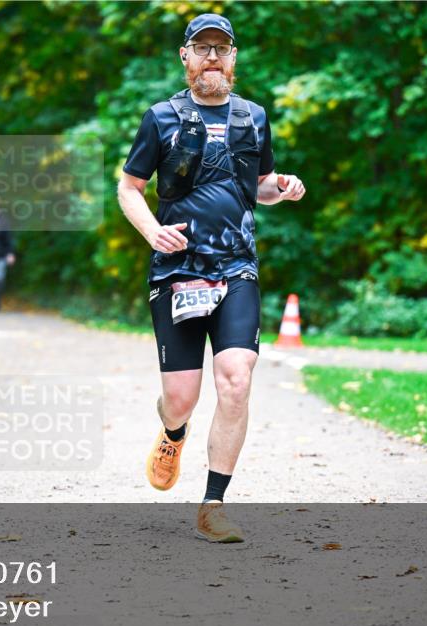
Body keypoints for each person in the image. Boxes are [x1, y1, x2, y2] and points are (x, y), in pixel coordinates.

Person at [117, 13, 306, 542]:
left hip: (237, 267)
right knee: (181, 398)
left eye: (221, 49)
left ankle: (213, 505)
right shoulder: (161, 118)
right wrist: (153, 231)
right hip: (178, 271)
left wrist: (281, 187)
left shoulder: (253, 117)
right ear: (185, 56)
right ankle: (173, 431)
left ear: (234, 57)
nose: (213, 58)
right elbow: (130, 187)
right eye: (202, 49)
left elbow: (258, 185)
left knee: (236, 378)